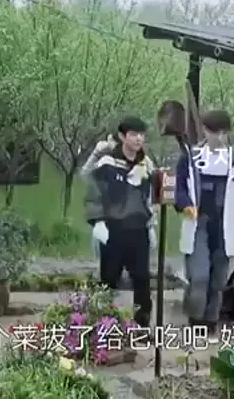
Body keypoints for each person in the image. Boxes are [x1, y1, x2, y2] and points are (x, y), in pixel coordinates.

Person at [174, 110, 234, 333]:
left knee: (219, 279)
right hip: (199, 223)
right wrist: (185, 204)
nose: (218, 137)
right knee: (200, 275)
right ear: (205, 131)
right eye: (214, 132)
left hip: (227, 224)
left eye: (223, 132)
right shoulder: (190, 158)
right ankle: (195, 318)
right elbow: (180, 188)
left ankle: (211, 320)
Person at [84, 116, 156, 328]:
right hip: (113, 230)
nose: (138, 139)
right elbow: (94, 193)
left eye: (141, 135)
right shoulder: (108, 163)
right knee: (108, 279)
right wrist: (98, 221)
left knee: (142, 279)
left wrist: (152, 225)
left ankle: (141, 326)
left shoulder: (146, 165)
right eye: (133, 134)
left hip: (138, 230)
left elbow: (151, 198)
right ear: (122, 137)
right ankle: (102, 325)